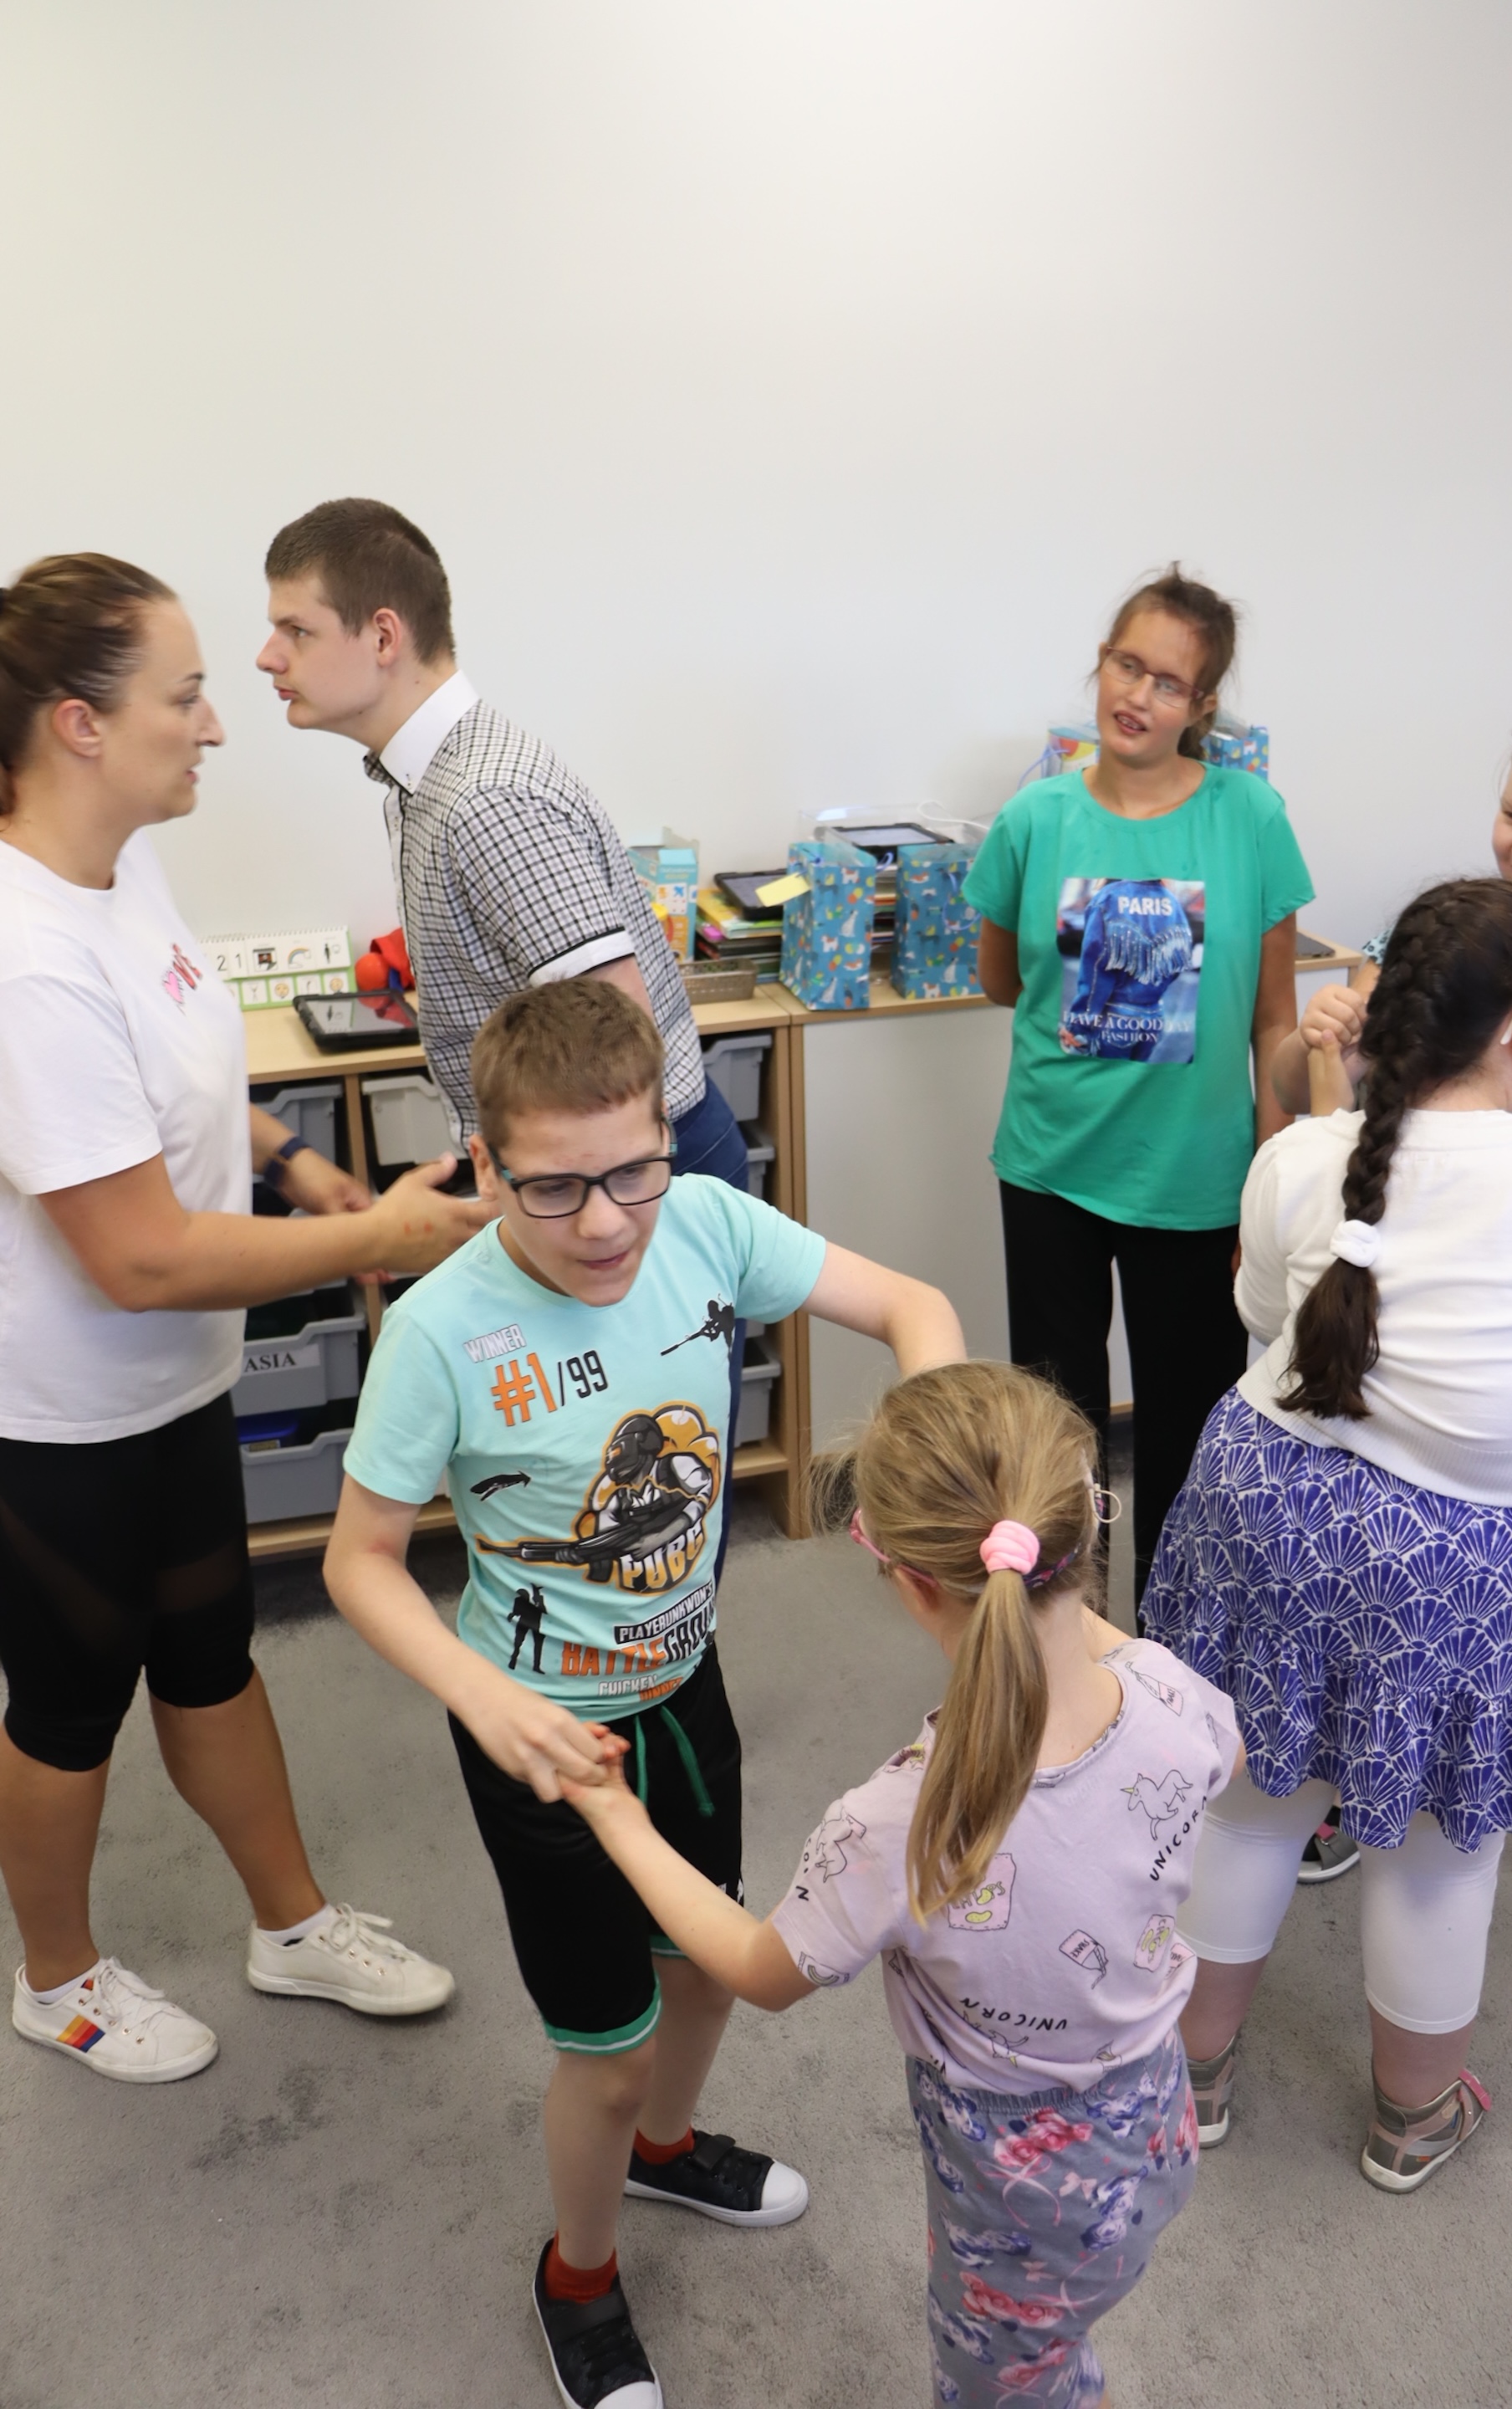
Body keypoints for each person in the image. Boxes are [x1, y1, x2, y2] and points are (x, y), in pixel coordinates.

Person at [323, 976, 966, 2409]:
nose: (608, 1221)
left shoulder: (712, 1225)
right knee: (604, 2058)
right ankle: (579, 2273)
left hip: (685, 1686)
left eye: (635, 1172)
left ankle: (668, 2153)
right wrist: (482, 1699)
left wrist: (936, 1460)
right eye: (554, 1188)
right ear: (485, 1163)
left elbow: (912, 1305)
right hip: (541, 1735)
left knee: (703, 1969)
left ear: (670, 1139)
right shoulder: (440, 1330)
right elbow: (358, 1563)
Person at [0, 555, 490, 2082]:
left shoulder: (121, 868)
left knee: (211, 1653)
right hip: (61, 1417)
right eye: (188, 694)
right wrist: (384, 1234)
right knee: (69, 1700)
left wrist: (288, 1160)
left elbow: (186, 1065)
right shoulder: (25, 956)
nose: (217, 722)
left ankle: (291, 1924)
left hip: (175, 1383)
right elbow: (138, 1258)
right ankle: (57, 1979)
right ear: (80, 724)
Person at [559, 1360, 1241, 2409]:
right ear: (1082, 1530)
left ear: (914, 1585)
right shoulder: (1175, 1696)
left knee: (1006, 2383)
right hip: (1155, 2124)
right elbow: (1207, 1743)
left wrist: (617, 1818)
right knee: (1058, 2350)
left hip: (1019, 2194)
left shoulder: (900, 1824)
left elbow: (759, 1969)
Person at [1145, 879, 1512, 2192]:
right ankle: (1412, 2116)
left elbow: (1261, 1312)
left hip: (1265, 1508)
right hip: (1471, 1561)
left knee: (1247, 1803)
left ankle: (1190, 2083)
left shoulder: (1303, 1156)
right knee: (1444, 1848)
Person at [257, 498, 753, 1583]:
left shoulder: (483, 799)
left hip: (627, 1182)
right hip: (581, 1179)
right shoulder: (426, 780)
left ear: (382, 636)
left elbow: (619, 1041)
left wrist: (562, 1203)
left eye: (294, 629)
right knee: (597, 1520)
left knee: (646, 1538)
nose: (267, 656)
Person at [1271, 697, 1512, 1965]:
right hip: (1419, 1346)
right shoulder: (1444, 946)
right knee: (1391, 1577)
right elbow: (1333, 1120)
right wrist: (1330, 1049)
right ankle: (1354, 1769)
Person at [967, 565, 1313, 1606]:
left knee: (1186, 1432)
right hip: (1052, 1168)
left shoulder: (1251, 818)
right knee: (1057, 1434)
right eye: (1129, 666)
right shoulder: (1034, 820)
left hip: (1197, 1183)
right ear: (1101, 664)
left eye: (1170, 683)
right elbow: (1000, 980)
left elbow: (1275, 1019)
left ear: (1201, 705)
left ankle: (1168, 1649)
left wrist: (1271, 1178)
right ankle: (1068, 1632)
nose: (1140, 696)